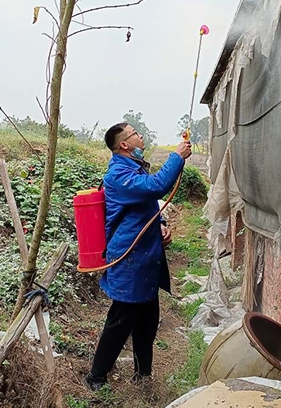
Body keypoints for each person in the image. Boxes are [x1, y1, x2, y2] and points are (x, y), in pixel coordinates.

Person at [84, 122, 192, 391]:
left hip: (145, 258)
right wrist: (177, 156)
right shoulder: (118, 175)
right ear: (124, 144)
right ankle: (96, 377)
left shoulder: (133, 169)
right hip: (129, 259)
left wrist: (161, 224)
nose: (141, 135)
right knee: (120, 321)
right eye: (135, 134)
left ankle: (143, 375)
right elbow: (156, 187)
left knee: (147, 321)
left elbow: (146, 204)